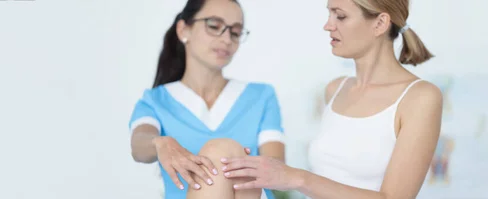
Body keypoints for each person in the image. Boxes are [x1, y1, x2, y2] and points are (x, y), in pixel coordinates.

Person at [218, 0, 443, 198]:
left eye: (340, 16)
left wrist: (297, 178)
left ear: (380, 23)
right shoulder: (336, 89)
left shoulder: (420, 97)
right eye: (329, 14)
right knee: (221, 152)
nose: (328, 25)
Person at [128, 0, 285, 198]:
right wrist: (161, 143)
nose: (226, 38)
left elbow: (277, 170)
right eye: (214, 26)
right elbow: (139, 146)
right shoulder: (154, 101)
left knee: (222, 150)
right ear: (183, 30)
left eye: (235, 32)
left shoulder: (261, 96)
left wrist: (234, 158)